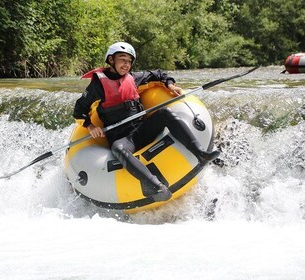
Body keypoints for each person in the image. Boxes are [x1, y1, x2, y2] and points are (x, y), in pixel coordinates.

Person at [73, 42, 220, 202]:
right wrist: (90, 126)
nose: (126, 64)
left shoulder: (134, 78)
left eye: (129, 61)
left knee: (164, 112)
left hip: (141, 130)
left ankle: (200, 153)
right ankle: (155, 187)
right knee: (118, 149)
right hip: (123, 139)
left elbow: (159, 74)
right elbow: (79, 109)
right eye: (122, 59)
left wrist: (170, 84)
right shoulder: (97, 86)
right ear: (111, 60)